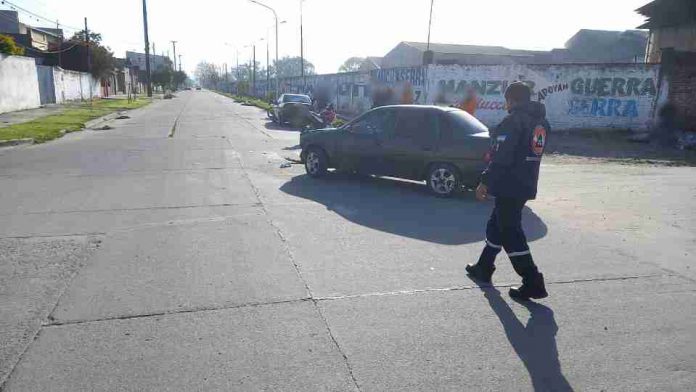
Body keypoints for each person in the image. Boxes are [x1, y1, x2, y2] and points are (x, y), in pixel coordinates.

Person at [466, 81, 550, 300]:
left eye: (506, 101)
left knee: (510, 232)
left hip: (509, 184)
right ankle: (484, 267)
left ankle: (533, 281)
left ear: (510, 100)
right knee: (497, 224)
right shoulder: (540, 122)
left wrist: (485, 181)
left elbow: (501, 156)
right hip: (526, 182)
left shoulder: (513, 122)